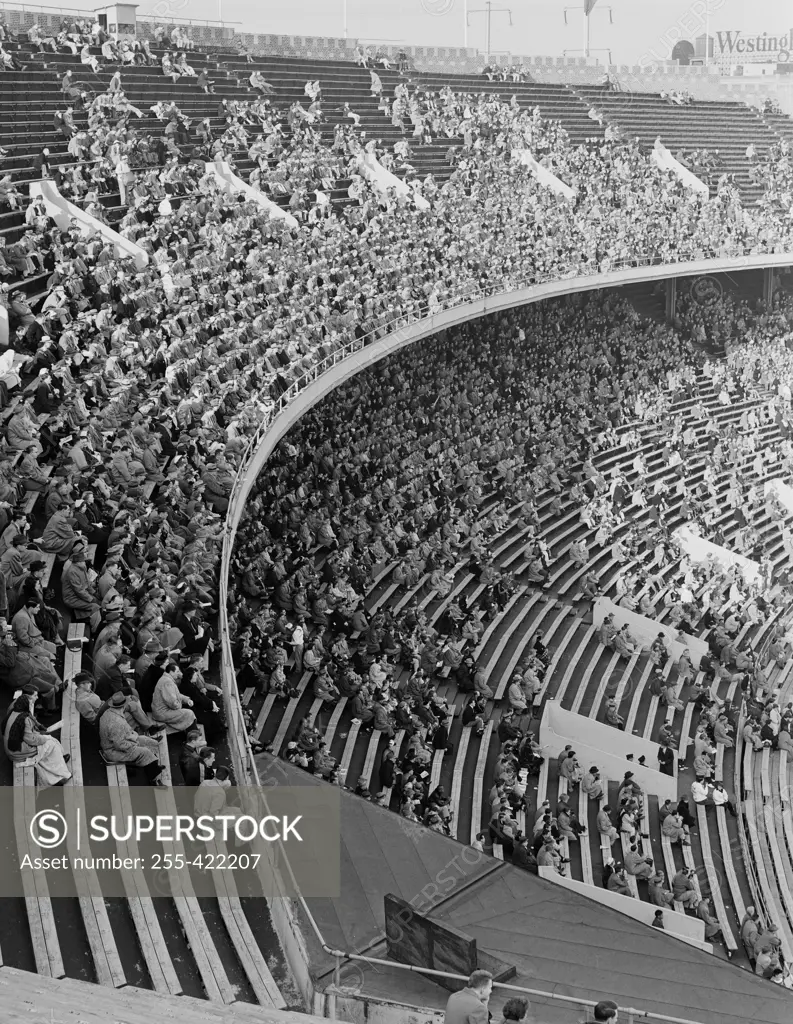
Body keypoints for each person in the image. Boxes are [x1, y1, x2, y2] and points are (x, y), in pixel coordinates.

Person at [2, 690, 71, 787]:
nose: (32, 704)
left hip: (13, 747)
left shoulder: (15, 711)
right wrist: (44, 739)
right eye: (30, 703)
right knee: (51, 744)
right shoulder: (24, 719)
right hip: (17, 751)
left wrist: (41, 732)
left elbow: (30, 726)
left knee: (49, 741)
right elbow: (32, 740)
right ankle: (61, 775)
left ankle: (59, 765)